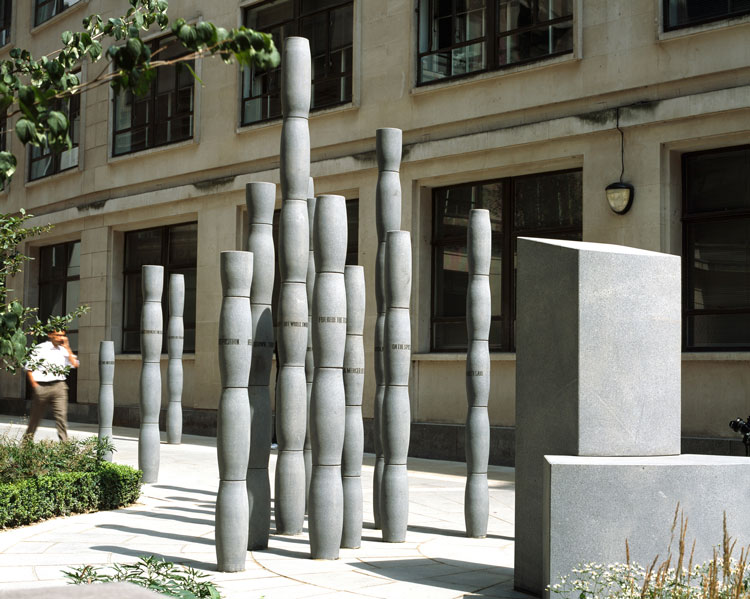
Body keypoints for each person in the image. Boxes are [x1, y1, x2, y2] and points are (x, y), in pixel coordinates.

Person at [24, 330, 79, 442]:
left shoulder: (64, 350)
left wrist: (67, 347)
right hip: (42, 387)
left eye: (63, 335)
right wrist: (36, 386)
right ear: (50, 335)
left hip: (59, 386)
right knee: (35, 419)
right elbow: (29, 368)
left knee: (61, 418)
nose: (60, 338)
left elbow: (75, 364)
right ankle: (26, 444)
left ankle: (64, 447)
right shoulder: (41, 348)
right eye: (58, 335)